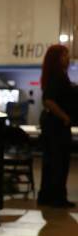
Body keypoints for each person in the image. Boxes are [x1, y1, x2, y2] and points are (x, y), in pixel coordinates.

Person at [37, 44, 77, 208]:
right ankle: (57, 198)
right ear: (57, 58)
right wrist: (65, 117)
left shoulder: (55, 76)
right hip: (57, 127)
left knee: (52, 162)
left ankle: (47, 196)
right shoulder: (58, 76)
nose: (68, 58)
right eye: (64, 55)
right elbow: (49, 100)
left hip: (52, 126)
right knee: (59, 162)